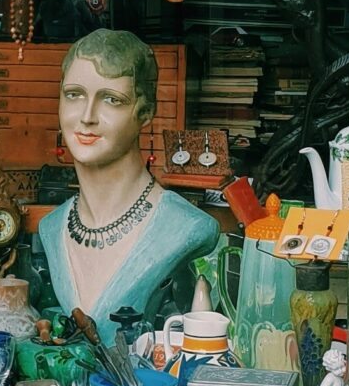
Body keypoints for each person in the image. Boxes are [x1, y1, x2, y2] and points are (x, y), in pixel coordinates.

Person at [32, 29, 218, 343]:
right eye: (74, 94)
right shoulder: (53, 228)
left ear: (145, 113)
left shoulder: (185, 228)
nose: (87, 117)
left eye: (112, 100)